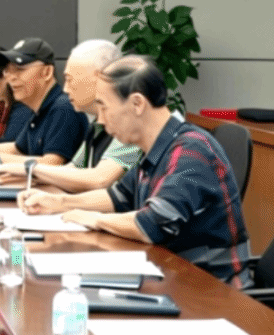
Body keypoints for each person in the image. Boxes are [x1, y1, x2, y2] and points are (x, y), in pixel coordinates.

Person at [18, 56, 252, 288]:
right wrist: (58, 202)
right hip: (171, 275)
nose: (100, 119)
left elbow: (151, 224)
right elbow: (118, 197)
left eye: (104, 106)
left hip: (212, 290)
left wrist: (95, 219)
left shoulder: (191, 151)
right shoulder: (158, 147)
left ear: (137, 104)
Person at [0, 39, 142, 191]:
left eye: (70, 80)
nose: (65, 89)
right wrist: (29, 179)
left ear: (101, 78)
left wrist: (28, 170)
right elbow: (72, 170)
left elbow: (99, 180)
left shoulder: (130, 123)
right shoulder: (97, 126)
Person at [0, 37, 88, 171]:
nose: (11, 78)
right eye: (8, 70)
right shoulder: (39, 110)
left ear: (46, 72)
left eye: (20, 69)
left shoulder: (63, 108)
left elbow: (52, 163)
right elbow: (17, 148)